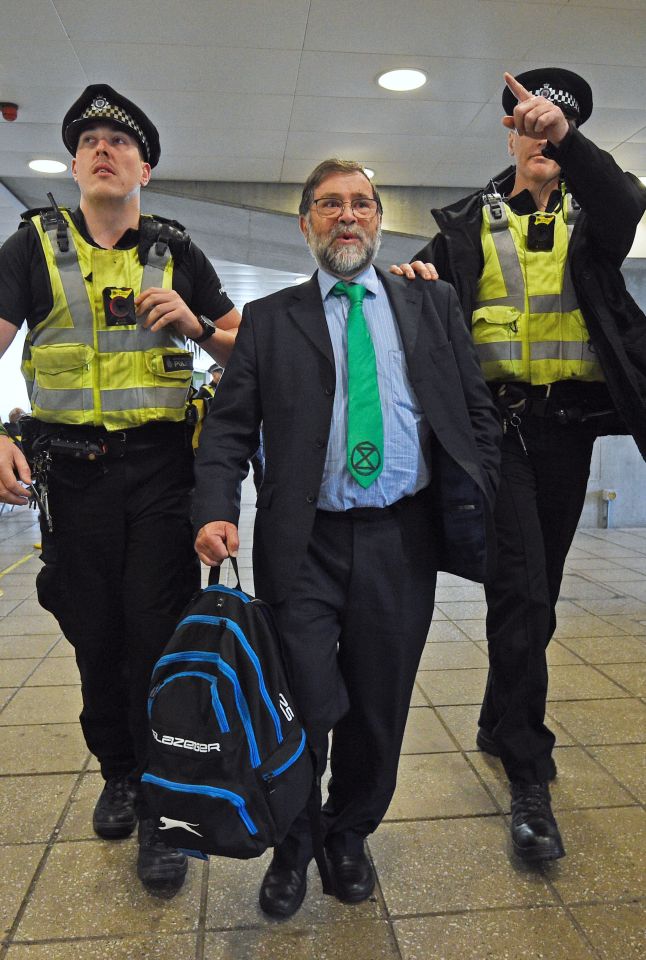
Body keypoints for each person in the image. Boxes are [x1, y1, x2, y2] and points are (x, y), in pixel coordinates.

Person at [192, 159, 501, 918]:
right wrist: (213, 507)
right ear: (306, 225)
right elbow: (229, 429)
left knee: (379, 703)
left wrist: (484, 485)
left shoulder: (431, 304)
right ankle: (294, 845)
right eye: (329, 204)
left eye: (362, 203)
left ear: (379, 221)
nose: (347, 216)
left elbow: (472, 409)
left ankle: (350, 834)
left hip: (403, 538)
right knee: (300, 701)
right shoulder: (271, 320)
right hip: (307, 542)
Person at [394, 69, 646, 862]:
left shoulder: (596, 215)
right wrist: (416, 284)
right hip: (495, 436)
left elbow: (626, 204)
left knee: (540, 597)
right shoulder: (467, 223)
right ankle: (529, 773)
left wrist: (573, 143)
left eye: (555, 130)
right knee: (522, 589)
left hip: (569, 433)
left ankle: (495, 720)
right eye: (529, 127)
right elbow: (417, 296)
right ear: (507, 135)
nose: (540, 140)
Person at [0, 84, 240, 895]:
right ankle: (120, 770)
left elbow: (245, 349)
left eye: (121, 141)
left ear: (147, 166)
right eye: (90, 140)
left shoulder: (179, 253)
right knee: (95, 634)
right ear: (74, 164)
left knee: (156, 635)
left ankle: (163, 803)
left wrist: (200, 327)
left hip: (163, 474)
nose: (105, 148)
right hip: (70, 480)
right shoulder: (31, 247)